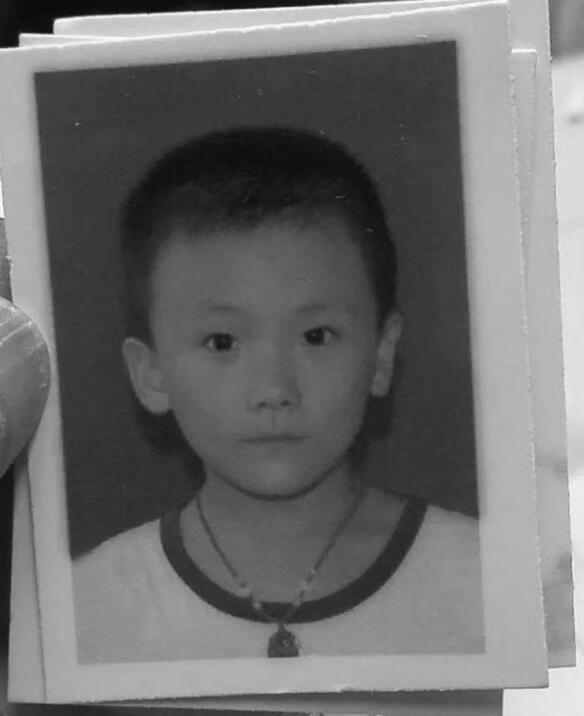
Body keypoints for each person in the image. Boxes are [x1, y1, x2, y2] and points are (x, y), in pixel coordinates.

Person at [73, 126, 484, 664]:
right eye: (222, 342)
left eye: (316, 336)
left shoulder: (489, 579)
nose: (273, 390)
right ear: (151, 374)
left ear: (381, 355)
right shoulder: (84, 611)